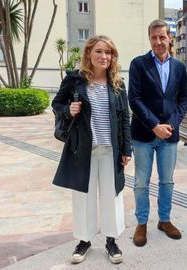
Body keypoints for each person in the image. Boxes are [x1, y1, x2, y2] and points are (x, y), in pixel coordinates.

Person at [52, 35, 132, 265]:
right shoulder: (74, 80)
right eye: (99, 51)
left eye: (108, 52)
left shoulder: (117, 83)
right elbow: (56, 104)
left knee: (111, 195)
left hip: (111, 150)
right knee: (83, 196)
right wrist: (69, 109)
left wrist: (127, 148)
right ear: (89, 54)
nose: (104, 56)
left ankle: (111, 240)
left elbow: (125, 118)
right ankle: (84, 241)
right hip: (82, 149)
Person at [128, 19, 187, 247]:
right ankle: (141, 223)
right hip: (143, 135)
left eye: (162, 37)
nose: (158, 41)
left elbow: (183, 100)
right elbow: (134, 99)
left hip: (169, 136)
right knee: (141, 182)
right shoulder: (138, 64)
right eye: (154, 38)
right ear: (149, 39)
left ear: (170, 38)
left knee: (167, 181)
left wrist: (171, 125)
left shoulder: (179, 68)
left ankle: (164, 220)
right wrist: (154, 125)